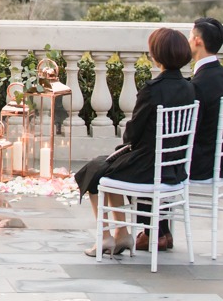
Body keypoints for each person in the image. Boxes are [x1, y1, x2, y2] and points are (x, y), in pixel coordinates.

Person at [74, 27, 196, 257]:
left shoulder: (152, 90)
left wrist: (128, 138)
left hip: (148, 166)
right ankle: (121, 235)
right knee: (105, 168)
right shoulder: (190, 88)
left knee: (94, 171)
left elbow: (132, 135)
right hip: (174, 167)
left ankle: (106, 237)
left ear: (156, 55)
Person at [137, 17, 223, 251]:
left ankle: (156, 232)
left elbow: (183, 132)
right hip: (221, 162)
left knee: (152, 161)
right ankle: (160, 231)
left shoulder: (199, 84)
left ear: (196, 41)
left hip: (200, 164)